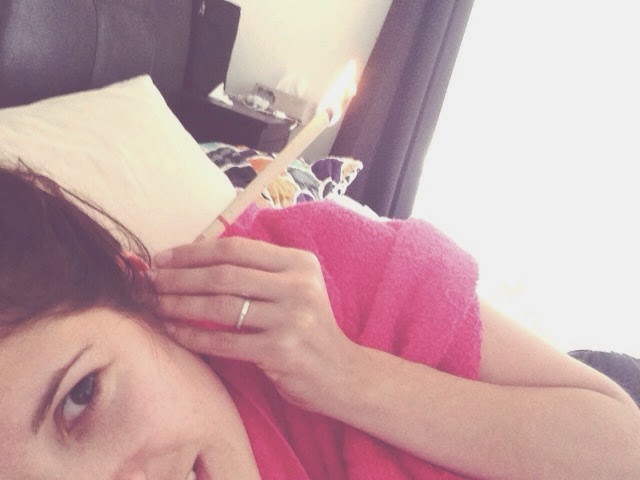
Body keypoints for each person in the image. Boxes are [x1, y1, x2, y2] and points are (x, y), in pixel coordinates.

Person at [0, 164, 638, 480]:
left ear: (135, 288)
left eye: (82, 395)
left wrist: (346, 374)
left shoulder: (306, 276)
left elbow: (621, 450)